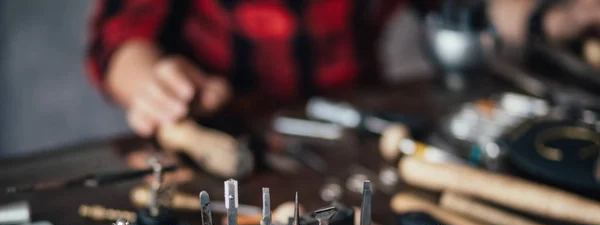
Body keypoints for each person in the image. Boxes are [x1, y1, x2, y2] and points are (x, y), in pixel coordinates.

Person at [86, 0, 600, 137]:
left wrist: (551, 19)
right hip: (222, 124)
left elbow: (469, 4)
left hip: (358, 123)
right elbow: (118, 36)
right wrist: (153, 83)